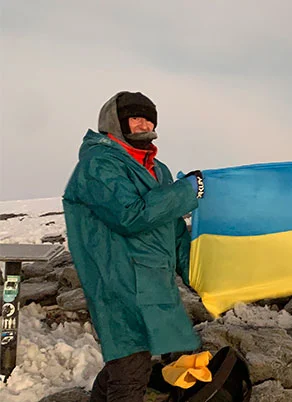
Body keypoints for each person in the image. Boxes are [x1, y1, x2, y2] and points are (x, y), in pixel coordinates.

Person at [63, 91, 205, 402]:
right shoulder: (98, 165)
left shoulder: (159, 169)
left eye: (148, 117)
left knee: (172, 360)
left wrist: (198, 272)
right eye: (135, 117)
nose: (144, 123)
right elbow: (131, 215)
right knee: (131, 366)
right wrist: (188, 190)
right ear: (116, 123)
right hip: (119, 283)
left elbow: (172, 228)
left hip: (156, 284)